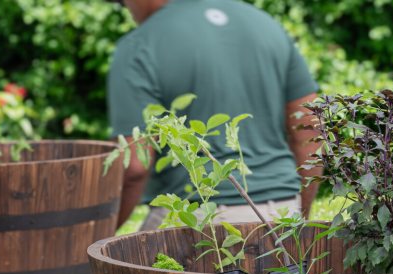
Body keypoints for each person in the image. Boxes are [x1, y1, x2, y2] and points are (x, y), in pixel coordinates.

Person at [108, 0, 320, 229]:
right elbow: (311, 131)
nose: (128, 10)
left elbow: (134, 167)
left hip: (194, 222)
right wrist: (299, 216)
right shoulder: (268, 25)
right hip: (283, 210)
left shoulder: (138, 45)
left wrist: (96, 238)